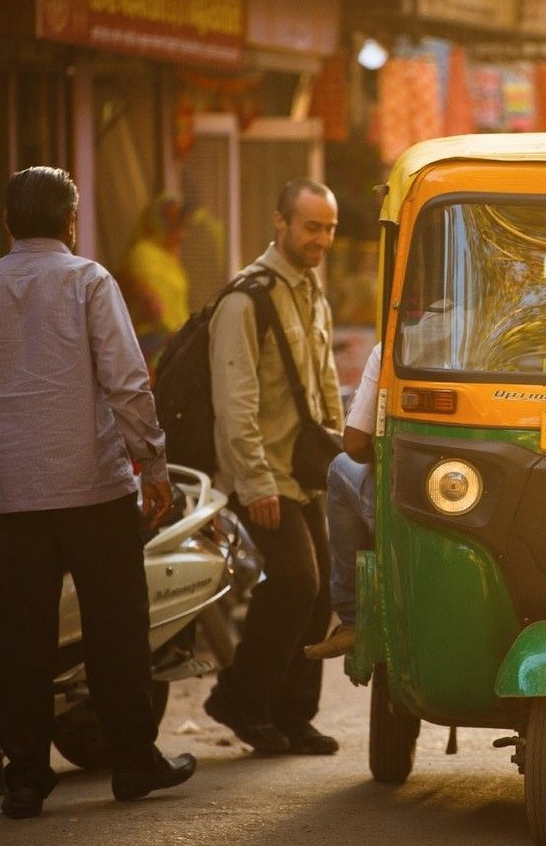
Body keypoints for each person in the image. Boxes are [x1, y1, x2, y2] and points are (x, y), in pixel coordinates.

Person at [0, 166, 196, 818]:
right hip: (96, 491)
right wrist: (151, 466)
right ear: (71, 221)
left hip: (14, 501)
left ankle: (23, 777)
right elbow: (129, 384)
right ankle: (133, 762)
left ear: (9, 223)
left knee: (20, 641)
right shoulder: (88, 281)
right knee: (116, 631)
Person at [203, 178, 344, 756]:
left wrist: (345, 456)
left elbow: (326, 384)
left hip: (305, 472)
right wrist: (256, 483)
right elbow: (233, 403)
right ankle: (239, 699)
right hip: (262, 473)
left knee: (321, 592)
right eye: (312, 226)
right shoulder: (245, 299)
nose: (322, 239)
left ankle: (292, 715)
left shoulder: (312, 294)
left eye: (330, 228)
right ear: (280, 223)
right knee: (295, 581)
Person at [305, 341, 382, 661]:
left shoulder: (396, 347)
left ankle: (352, 621)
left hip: (413, 506)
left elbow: (354, 442)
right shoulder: (532, 339)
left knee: (340, 467)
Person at [116, 192, 191, 368]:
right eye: (170, 222)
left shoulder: (170, 256)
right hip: (153, 345)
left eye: (181, 224)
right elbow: (153, 309)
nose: (179, 231)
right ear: (156, 221)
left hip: (175, 341)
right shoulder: (143, 253)